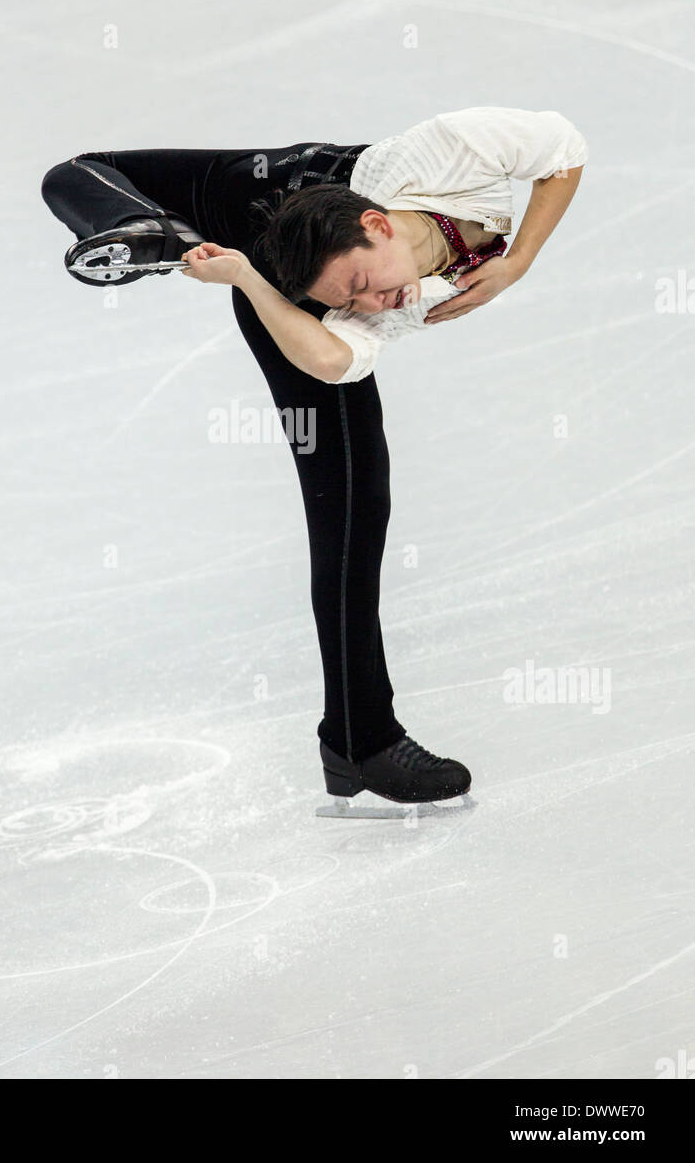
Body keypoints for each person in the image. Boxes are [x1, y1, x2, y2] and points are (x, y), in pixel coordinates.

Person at [41, 106, 588, 808]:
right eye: (354, 298)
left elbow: (562, 150)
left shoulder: (446, 156)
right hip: (281, 275)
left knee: (362, 502)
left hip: (304, 197)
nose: (372, 301)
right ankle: (362, 741)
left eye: (365, 285)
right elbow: (332, 361)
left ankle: (168, 235)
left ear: (380, 224)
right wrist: (249, 279)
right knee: (355, 503)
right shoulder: (339, 303)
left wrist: (518, 262)